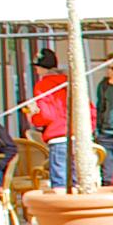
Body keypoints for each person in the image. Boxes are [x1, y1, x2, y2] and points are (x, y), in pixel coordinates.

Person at [28, 46, 74, 188]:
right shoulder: (70, 81)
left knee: (60, 183)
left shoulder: (43, 85)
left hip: (58, 135)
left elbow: (46, 115)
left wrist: (32, 117)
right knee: (77, 181)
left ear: (41, 68)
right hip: (78, 135)